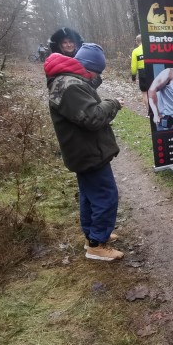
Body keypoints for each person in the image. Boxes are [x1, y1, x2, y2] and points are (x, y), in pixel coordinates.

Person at [44, 43, 124, 261]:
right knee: (106, 196)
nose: (97, 76)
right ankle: (97, 245)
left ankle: (92, 235)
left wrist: (95, 82)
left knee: (90, 196)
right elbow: (92, 117)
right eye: (97, 72)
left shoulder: (68, 81)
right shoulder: (71, 86)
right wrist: (113, 104)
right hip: (88, 152)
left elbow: (85, 98)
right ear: (88, 68)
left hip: (83, 151)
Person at [130, 34, 149, 110]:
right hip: (151, 70)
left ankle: (149, 111)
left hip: (142, 73)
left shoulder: (135, 51)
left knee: (145, 93)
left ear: (137, 42)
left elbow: (133, 67)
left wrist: (133, 77)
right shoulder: (149, 48)